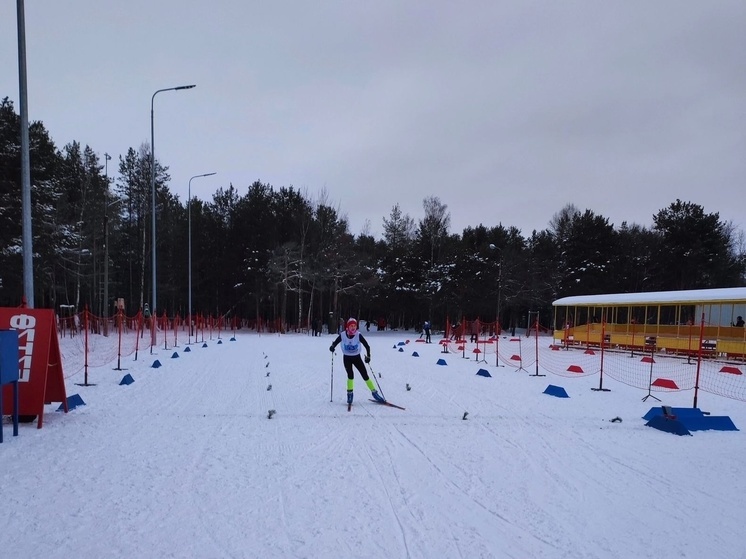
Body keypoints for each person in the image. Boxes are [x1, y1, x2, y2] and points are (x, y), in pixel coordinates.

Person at [330, 318, 384, 405]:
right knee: (350, 375)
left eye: (354, 326)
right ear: (348, 326)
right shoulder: (343, 335)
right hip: (347, 358)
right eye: (351, 326)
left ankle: (374, 393)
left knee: (365, 375)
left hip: (357, 358)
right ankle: (350, 394)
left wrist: (368, 356)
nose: (353, 327)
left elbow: (367, 346)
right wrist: (332, 347)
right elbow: (335, 343)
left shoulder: (358, 335)